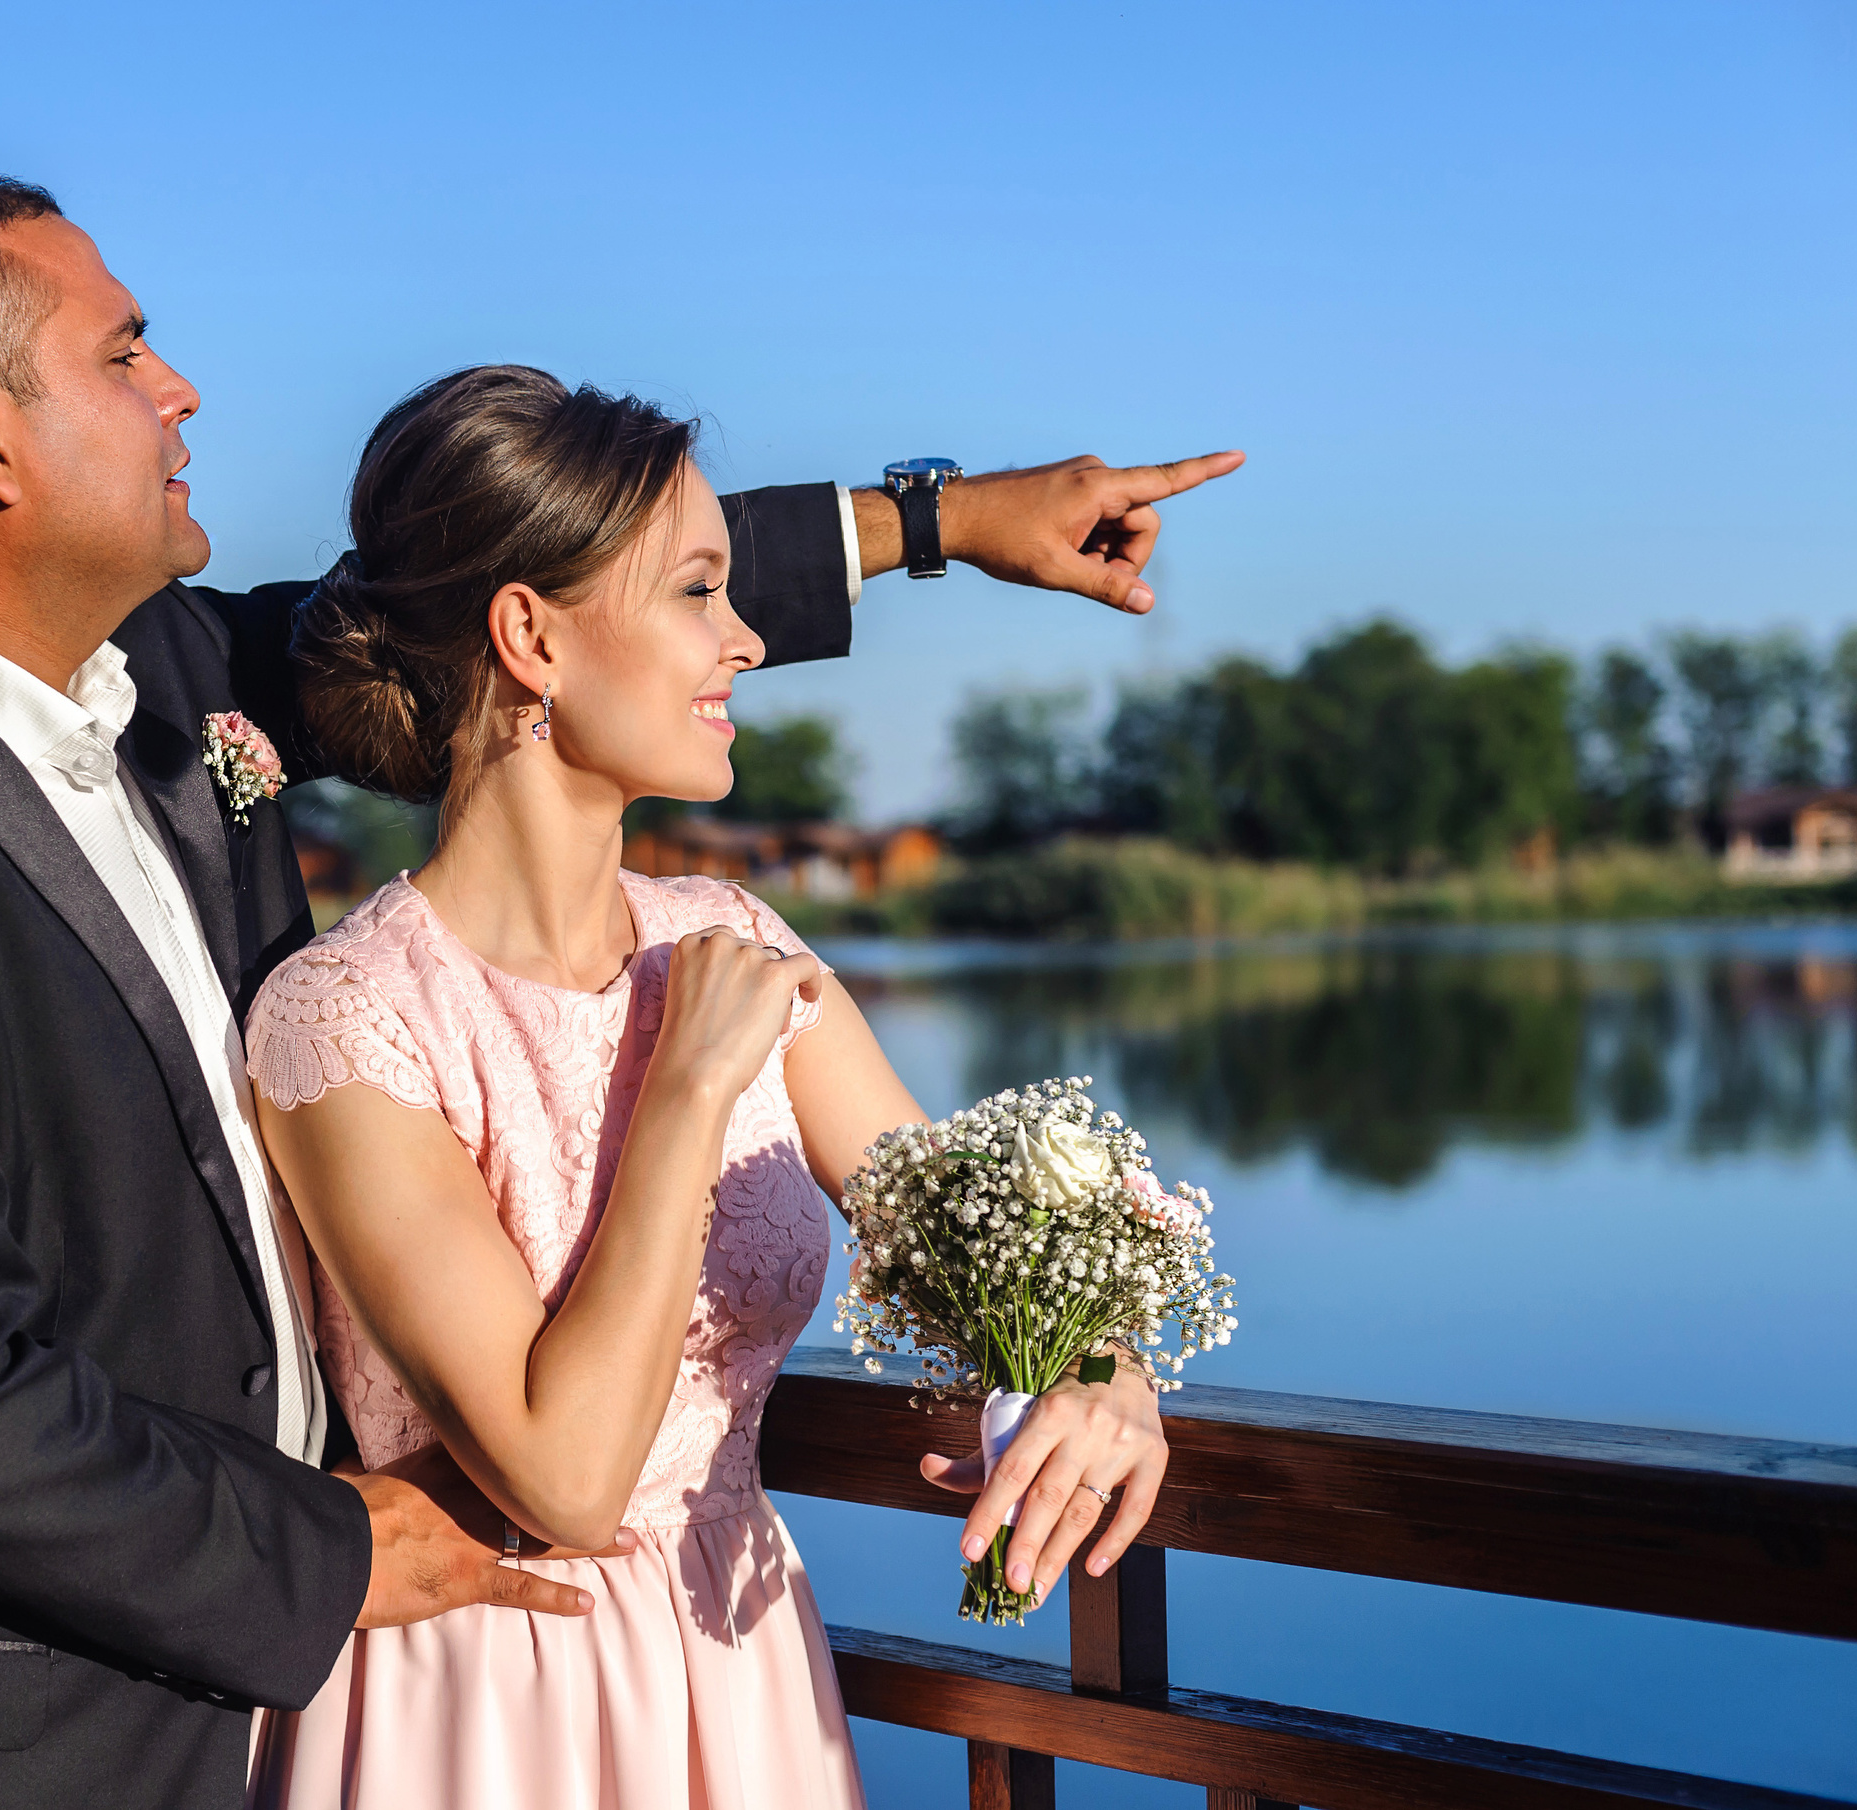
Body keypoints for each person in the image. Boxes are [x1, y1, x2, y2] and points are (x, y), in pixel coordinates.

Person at [0, 173, 1236, 1809]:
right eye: (125, 354)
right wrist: (328, 1545)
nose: (181, 385)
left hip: (636, 1684)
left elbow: (538, 569)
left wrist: (951, 522)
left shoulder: (167, 679)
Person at [242, 367, 1194, 1809]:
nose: (746, 638)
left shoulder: (739, 940)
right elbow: (561, 1478)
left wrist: (1105, 1371)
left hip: (735, 1681)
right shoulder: (346, 1016)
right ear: (529, 637)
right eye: (698, 590)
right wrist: (681, 1095)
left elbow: (982, 1249)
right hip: (488, 1708)